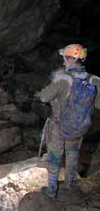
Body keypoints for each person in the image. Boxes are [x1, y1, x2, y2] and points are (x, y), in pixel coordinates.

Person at [37, 44, 100, 197]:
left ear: (69, 59)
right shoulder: (95, 80)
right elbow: (98, 104)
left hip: (59, 125)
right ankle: (69, 184)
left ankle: (51, 190)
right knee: (72, 152)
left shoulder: (63, 79)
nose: (63, 61)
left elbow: (44, 97)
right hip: (79, 126)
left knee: (55, 155)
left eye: (64, 58)